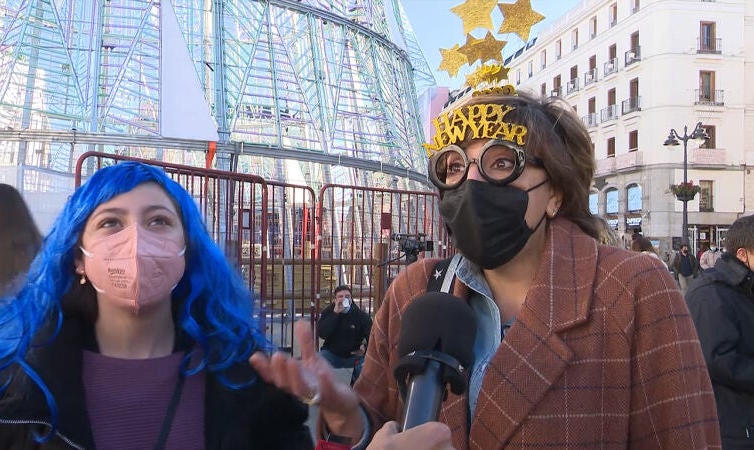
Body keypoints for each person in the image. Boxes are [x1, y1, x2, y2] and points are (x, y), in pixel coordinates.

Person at [250, 90, 720, 448]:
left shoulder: (633, 290)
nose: (471, 181)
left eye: (500, 163)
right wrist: (345, 414)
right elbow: (379, 422)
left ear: (555, 193)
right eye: (454, 167)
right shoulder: (416, 290)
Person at [0, 162, 313, 449]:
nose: (136, 240)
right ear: (78, 257)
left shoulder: (247, 379)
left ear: (186, 250)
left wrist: (340, 427)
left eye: (159, 221)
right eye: (111, 222)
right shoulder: (7, 387)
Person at [685, 216, 754, 449]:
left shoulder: (745, 287)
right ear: (743, 254)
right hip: (732, 427)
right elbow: (717, 361)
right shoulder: (711, 293)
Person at [317, 285, 372, 384]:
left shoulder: (360, 316)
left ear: (351, 298)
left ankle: (357, 389)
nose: (344, 299)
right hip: (332, 354)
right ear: (335, 300)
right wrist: (335, 314)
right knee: (319, 360)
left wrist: (365, 347)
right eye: (340, 296)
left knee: (365, 367)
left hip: (354, 356)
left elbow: (372, 337)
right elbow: (322, 333)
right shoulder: (328, 312)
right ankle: (326, 389)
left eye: (347, 296)